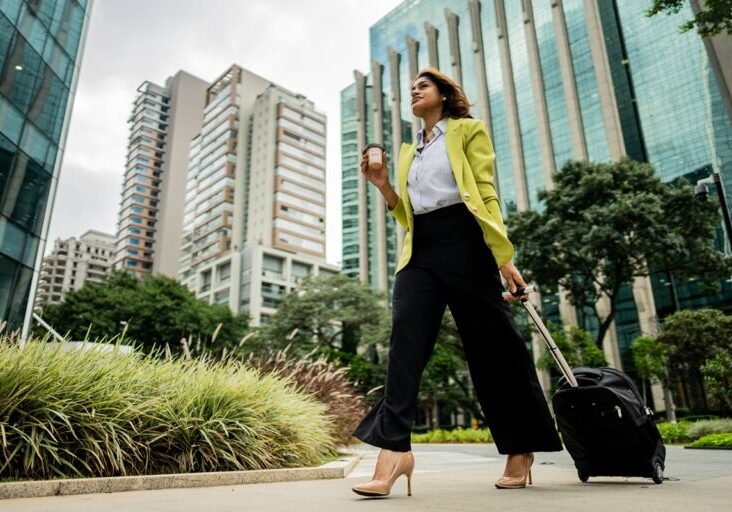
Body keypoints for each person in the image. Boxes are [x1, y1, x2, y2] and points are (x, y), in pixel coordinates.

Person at [351, 67, 563, 497]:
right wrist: (384, 186)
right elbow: (407, 214)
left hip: (466, 241)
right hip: (421, 250)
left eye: (422, 86)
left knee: (494, 348)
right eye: (412, 87)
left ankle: (521, 448)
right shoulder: (411, 151)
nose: (414, 91)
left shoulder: (467, 131)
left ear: (445, 96)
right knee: (405, 346)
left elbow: (484, 193)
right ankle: (394, 452)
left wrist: (503, 257)